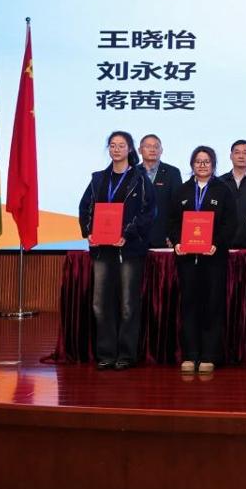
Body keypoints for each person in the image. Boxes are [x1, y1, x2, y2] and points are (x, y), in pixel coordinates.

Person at [77, 131, 155, 370]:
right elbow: (85, 207)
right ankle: (106, 354)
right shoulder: (98, 178)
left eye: (121, 145)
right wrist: (88, 231)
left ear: (130, 149)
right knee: (100, 304)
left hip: (128, 250)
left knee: (128, 305)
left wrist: (126, 234)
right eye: (112, 145)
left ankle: (126, 354)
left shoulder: (140, 179)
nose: (117, 149)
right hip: (102, 250)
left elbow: (148, 212)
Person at [168, 145, 237, 374]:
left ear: (214, 164)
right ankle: (190, 355)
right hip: (187, 259)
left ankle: (209, 355)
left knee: (212, 305)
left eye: (207, 161)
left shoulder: (223, 190)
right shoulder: (182, 191)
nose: (202, 165)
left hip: (214, 259)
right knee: (189, 305)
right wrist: (177, 242)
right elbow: (172, 221)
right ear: (192, 164)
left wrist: (217, 243)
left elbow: (231, 223)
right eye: (198, 161)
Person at [138, 133, 182, 249]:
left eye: (156, 146)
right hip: (135, 238)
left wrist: (174, 235)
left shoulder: (172, 173)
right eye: (148, 146)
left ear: (161, 150)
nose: (153, 149)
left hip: (163, 238)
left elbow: (178, 207)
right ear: (139, 150)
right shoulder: (132, 173)